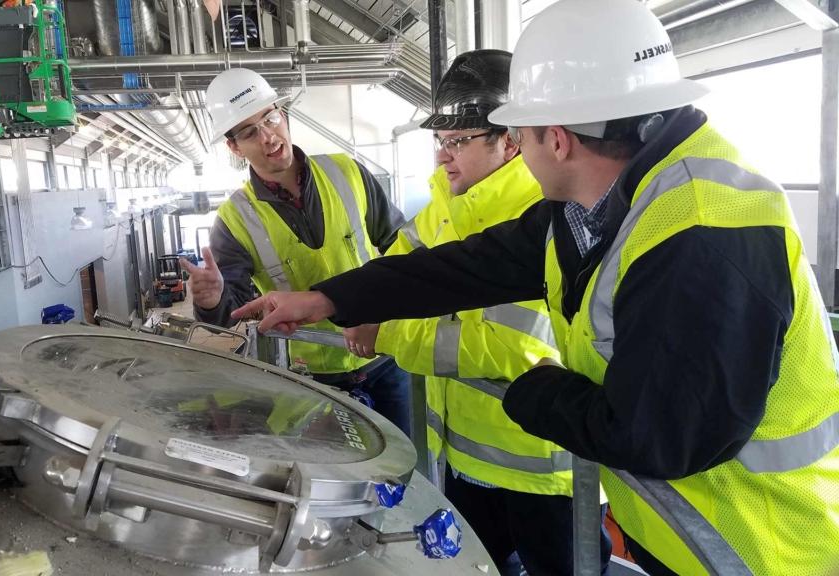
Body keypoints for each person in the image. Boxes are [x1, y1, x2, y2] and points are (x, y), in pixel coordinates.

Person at [230, 0, 839, 573]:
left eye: (519, 133)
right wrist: (329, 298)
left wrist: (531, 390)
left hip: (759, 548)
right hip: (689, 532)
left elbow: (659, 438)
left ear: (556, 137)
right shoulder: (603, 203)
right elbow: (468, 266)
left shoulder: (701, 230)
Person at [341, 49, 609, 576]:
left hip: (545, 471)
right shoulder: (445, 203)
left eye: (458, 141)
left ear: (509, 140)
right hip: (463, 459)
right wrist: (347, 301)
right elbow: (394, 275)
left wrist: (388, 334)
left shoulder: (547, 213)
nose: (443, 157)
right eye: (440, 142)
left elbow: (514, 344)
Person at [182, 67, 413, 437]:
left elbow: (401, 250)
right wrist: (211, 299)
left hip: (383, 355)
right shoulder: (234, 220)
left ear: (283, 114)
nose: (268, 136)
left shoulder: (347, 171)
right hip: (312, 377)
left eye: (270, 117)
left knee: (400, 478)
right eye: (248, 131)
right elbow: (230, 314)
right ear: (234, 147)